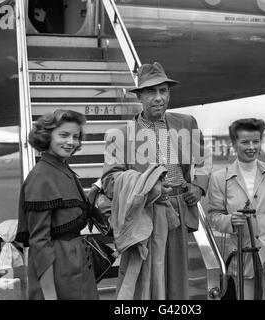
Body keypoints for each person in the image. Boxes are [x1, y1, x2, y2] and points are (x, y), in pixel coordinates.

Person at [101, 62, 212, 299]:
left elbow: (203, 159)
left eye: (164, 91)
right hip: (145, 213)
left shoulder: (186, 123)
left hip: (179, 209)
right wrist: (149, 186)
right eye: (151, 91)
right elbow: (110, 181)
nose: (159, 98)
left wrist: (198, 186)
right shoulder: (119, 136)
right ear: (139, 96)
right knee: (146, 278)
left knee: (176, 278)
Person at [207, 118, 265, 300]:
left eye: (256, 141)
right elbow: (214, 216)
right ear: (234, 144)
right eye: (245, 142)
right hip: (240, 260)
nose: (251, 147)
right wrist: (229, 220)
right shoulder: (218, 178)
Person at [15, 109, 98, 300]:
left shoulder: (61, 169)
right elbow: (40, 243)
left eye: (76, 137)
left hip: (76, 264)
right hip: (58, 270)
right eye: (64, 135)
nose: (71, 142)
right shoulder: (42, 177)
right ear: (47, 136)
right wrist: (50, 296)